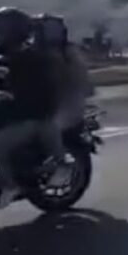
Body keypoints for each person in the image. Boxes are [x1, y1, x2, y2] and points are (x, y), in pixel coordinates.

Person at [0, 7, 57, 209]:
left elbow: (37, 92)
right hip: (13, 116)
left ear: (13, 34)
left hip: (33, 118)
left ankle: (10, 186)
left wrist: (10, 96)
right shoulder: (2, 60)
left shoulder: (31, 60)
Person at [33, 13, 92, 187]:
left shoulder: (66, 53)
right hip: (49, 105)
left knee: (47, 129)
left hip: (67, 105)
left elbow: (81, 81)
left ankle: (60, 166)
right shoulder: (38, 53)